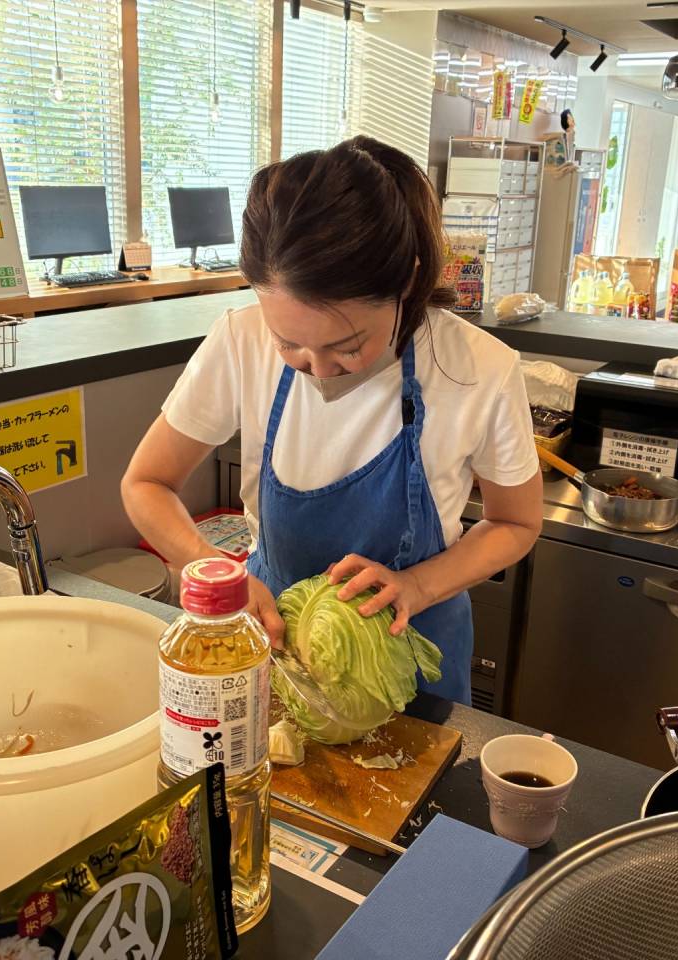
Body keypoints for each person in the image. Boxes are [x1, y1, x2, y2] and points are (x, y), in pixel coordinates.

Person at [122, 136, 543, 704]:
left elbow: (516, 523)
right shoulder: (239, 339)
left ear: (408, 282)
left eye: (347, 345)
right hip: (273, 645)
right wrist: (216, 572)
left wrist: (416, 585)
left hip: (413, 659)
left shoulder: (480, 369)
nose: (318, 369)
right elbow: (146, 483)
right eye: (288, 342)